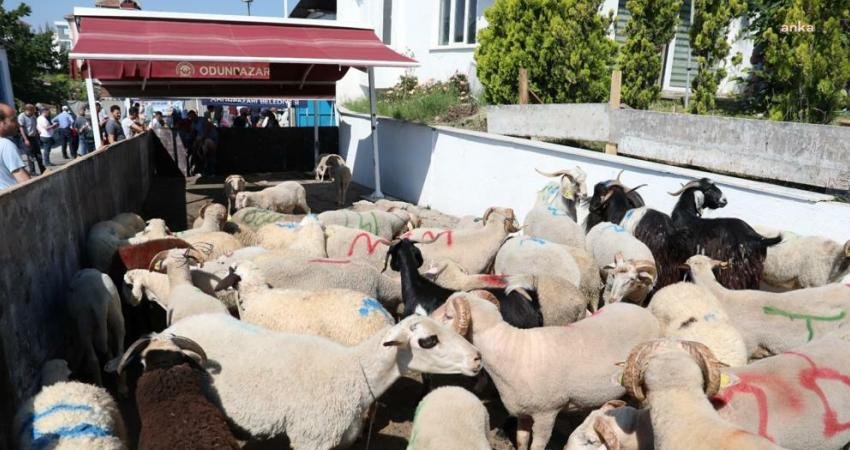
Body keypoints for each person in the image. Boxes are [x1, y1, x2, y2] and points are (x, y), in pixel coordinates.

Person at [1, 102, 31, 189]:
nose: (18, 124)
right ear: (2, 122)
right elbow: (25, 182)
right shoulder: (6, 145)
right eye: (13, 120)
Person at [17, 104, 45, 174]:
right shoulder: (21, 116)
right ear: (27, 110)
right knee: (30, 155)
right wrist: (26, 139)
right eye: (31, 111)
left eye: (33, 111)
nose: (33, 112)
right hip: (26, 137)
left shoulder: (33, 116)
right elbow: (21, 128)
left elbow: (35, 125)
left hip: (34, 136)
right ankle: (32, 171)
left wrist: (37, 131)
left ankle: (42, 169)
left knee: (38, 153)